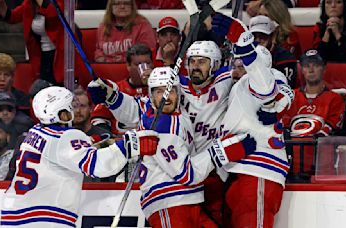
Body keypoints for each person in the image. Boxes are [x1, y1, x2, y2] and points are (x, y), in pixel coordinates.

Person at [87, 66, 255, 227]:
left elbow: (133, 108)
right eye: (159, 91)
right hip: (168, 202)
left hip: (189, 202)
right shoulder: (162, 128)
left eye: (170, 90)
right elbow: (187, 174)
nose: (165, 96)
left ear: (178, 92)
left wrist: (111, 95)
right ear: (151, 95)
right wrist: (227, 150)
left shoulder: (168, 112)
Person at [0, 86, 158, 227]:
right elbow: (98, 165)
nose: (73, 111)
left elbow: (58, 152)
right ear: (61, 113)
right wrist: (129, 145)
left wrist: (90, 142)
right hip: (45, 217)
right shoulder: (66, 137)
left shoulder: (33, 133)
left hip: (13, 214)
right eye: (69, 107)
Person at [210, 13, 293, 228]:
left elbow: (267, 86)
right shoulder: (239, 86)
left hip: (257, 172)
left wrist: (244, 41)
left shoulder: (260, 78)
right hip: (239, 172)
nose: (238, 66)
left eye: (243, 62)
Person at [0, 0, 72, 85]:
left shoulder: (60, 2)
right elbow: (11, 17)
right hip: (41, 56)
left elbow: (53, 13)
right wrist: (1, 3)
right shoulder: (28, 4)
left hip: (62, 55)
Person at [91, 44, 153, 137]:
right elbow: (98, 118)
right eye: (138, 64)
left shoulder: (161, 90)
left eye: (147, 63)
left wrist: (152, 84)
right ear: (128, 66)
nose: (144, 68)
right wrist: (108, 135)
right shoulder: (114, 89)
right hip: (120, 143)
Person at [283, 50, 345, 137]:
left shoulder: (334, 99)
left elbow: (333, 126)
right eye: (307, 66)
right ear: (302, 70)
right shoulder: (291, 96)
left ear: (324, 68)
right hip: (292, 147)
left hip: (320, 148)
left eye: (316, 65)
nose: (311, 70)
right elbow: (283, 124)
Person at [248, 15, 298, 88]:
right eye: (254, 36)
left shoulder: (285, 57)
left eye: (262, 36)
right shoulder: (245, 55)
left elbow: (287, 88)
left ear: (273, 36)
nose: (258, 40)